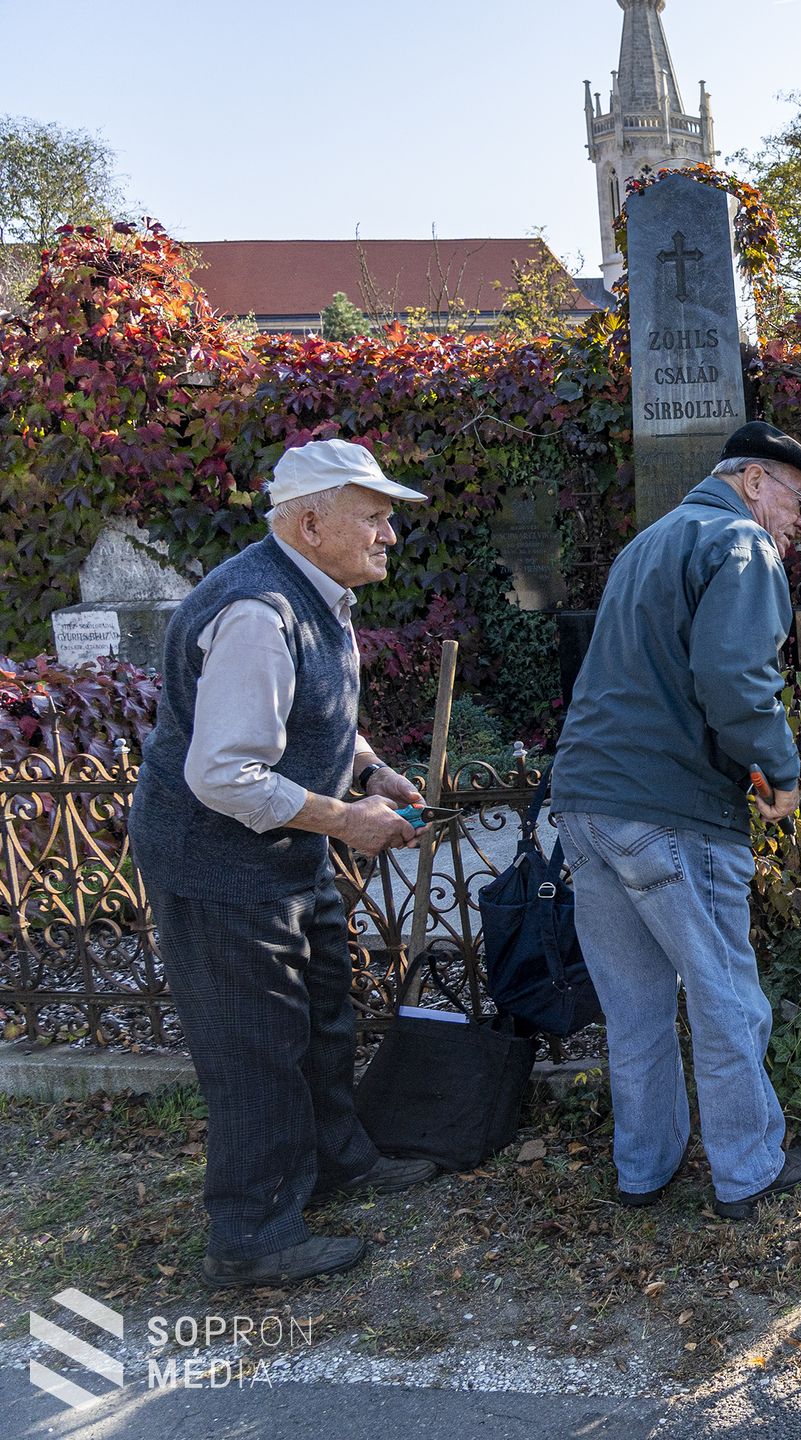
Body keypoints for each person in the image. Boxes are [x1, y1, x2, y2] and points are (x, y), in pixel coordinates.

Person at [131, 438, 438, 1288]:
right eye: (373, 518)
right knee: (254, 1045)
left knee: (324, 1016)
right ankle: (252, 1234)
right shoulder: (258, 614)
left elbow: (318, 708)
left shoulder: (314, 592)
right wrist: (347, 820)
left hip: (282, 851)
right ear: (311, 522)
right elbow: (222, 773)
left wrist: (369, 768)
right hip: (217, 863)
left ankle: (338, 1161)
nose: (388, 535)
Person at [550, 421, 801, 1219]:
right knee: (724, 997)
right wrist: (780, 772)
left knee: (634, 1003)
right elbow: (735, 678)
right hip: (671, 807)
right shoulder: (740, 546)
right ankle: (747, 1172)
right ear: (752, 482)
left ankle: (645, 1168)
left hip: (586, 802)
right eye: (798, 499)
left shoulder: (650, 543)